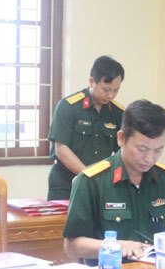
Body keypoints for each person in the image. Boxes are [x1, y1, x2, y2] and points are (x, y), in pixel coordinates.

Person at [63, 99, 165, 260]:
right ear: (121, 138)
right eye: (142, 149)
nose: (149, 158)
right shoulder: (92, 181)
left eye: (158, 150)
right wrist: (117, 246)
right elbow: (72, 246)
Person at [47, 55, 125, 200]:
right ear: (91, 81)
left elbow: (122, 152)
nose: (110, 95)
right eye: (106, 89)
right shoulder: (68, 106)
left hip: (99, 186)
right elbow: (61, 149)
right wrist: (88, 175)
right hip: (65, 184)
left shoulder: (118, 114)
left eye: (116, 90)